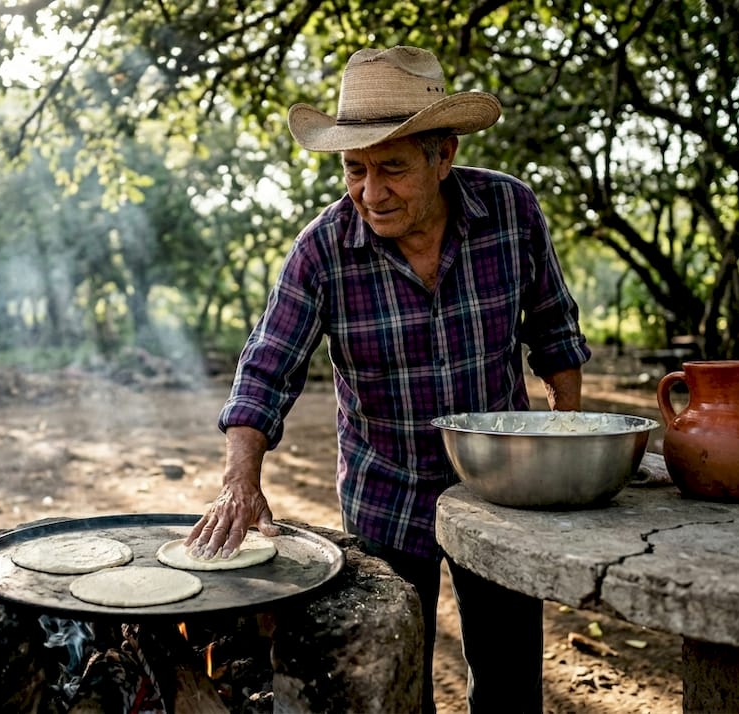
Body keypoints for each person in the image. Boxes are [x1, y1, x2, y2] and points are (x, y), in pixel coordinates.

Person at [185, 46, 590, 713]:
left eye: (392, 168)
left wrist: (565, 439)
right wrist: (241, 478)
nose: (371, 193)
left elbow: (554, 332)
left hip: (501, 493)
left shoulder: (510, 211)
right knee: (396, 689)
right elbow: (266, 367)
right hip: (386, 495)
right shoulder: (323, 249)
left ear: (444, 155)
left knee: (511, 683)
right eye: (355, 169)